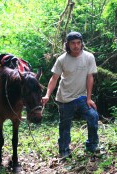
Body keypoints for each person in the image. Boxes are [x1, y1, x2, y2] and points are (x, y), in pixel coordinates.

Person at [42, 31, 99, 159]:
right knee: (65, 125)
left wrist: (89, 98)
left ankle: (92, 145)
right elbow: (54, 78)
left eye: (78, 43)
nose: (76, 46)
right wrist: (47, 95)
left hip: (82, 97)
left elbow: (90, 78)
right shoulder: (62, 59)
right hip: (65, 98)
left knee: (93, 116)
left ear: (82, 44)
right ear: (67, 44)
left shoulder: (89, 57)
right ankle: (64, 150)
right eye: (73, 43)